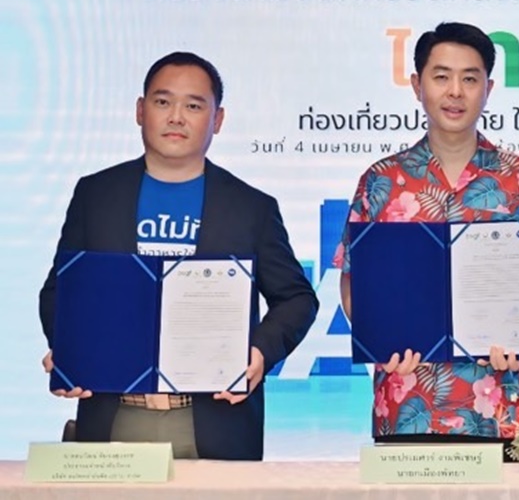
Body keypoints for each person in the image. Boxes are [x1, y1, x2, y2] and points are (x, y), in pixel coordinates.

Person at [38, 51, 319, 460]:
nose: (176, 117)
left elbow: (296, 298)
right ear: (140, 110)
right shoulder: (95, 194)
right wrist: (70, 348)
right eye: (162, 101)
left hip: (213, 423)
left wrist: (259, 352)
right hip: (114, 415)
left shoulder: (251, 207)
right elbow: (60, 291)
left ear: (217, 120)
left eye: (193, 106)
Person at [335, 21, 519, 448]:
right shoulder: (381, 181)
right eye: (441, 77)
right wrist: (383, 339)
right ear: (417, 85)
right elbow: (353, 280)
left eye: (470, 79)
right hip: (407, 403)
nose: (455, 92)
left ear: (489, 89)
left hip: (500, 407)